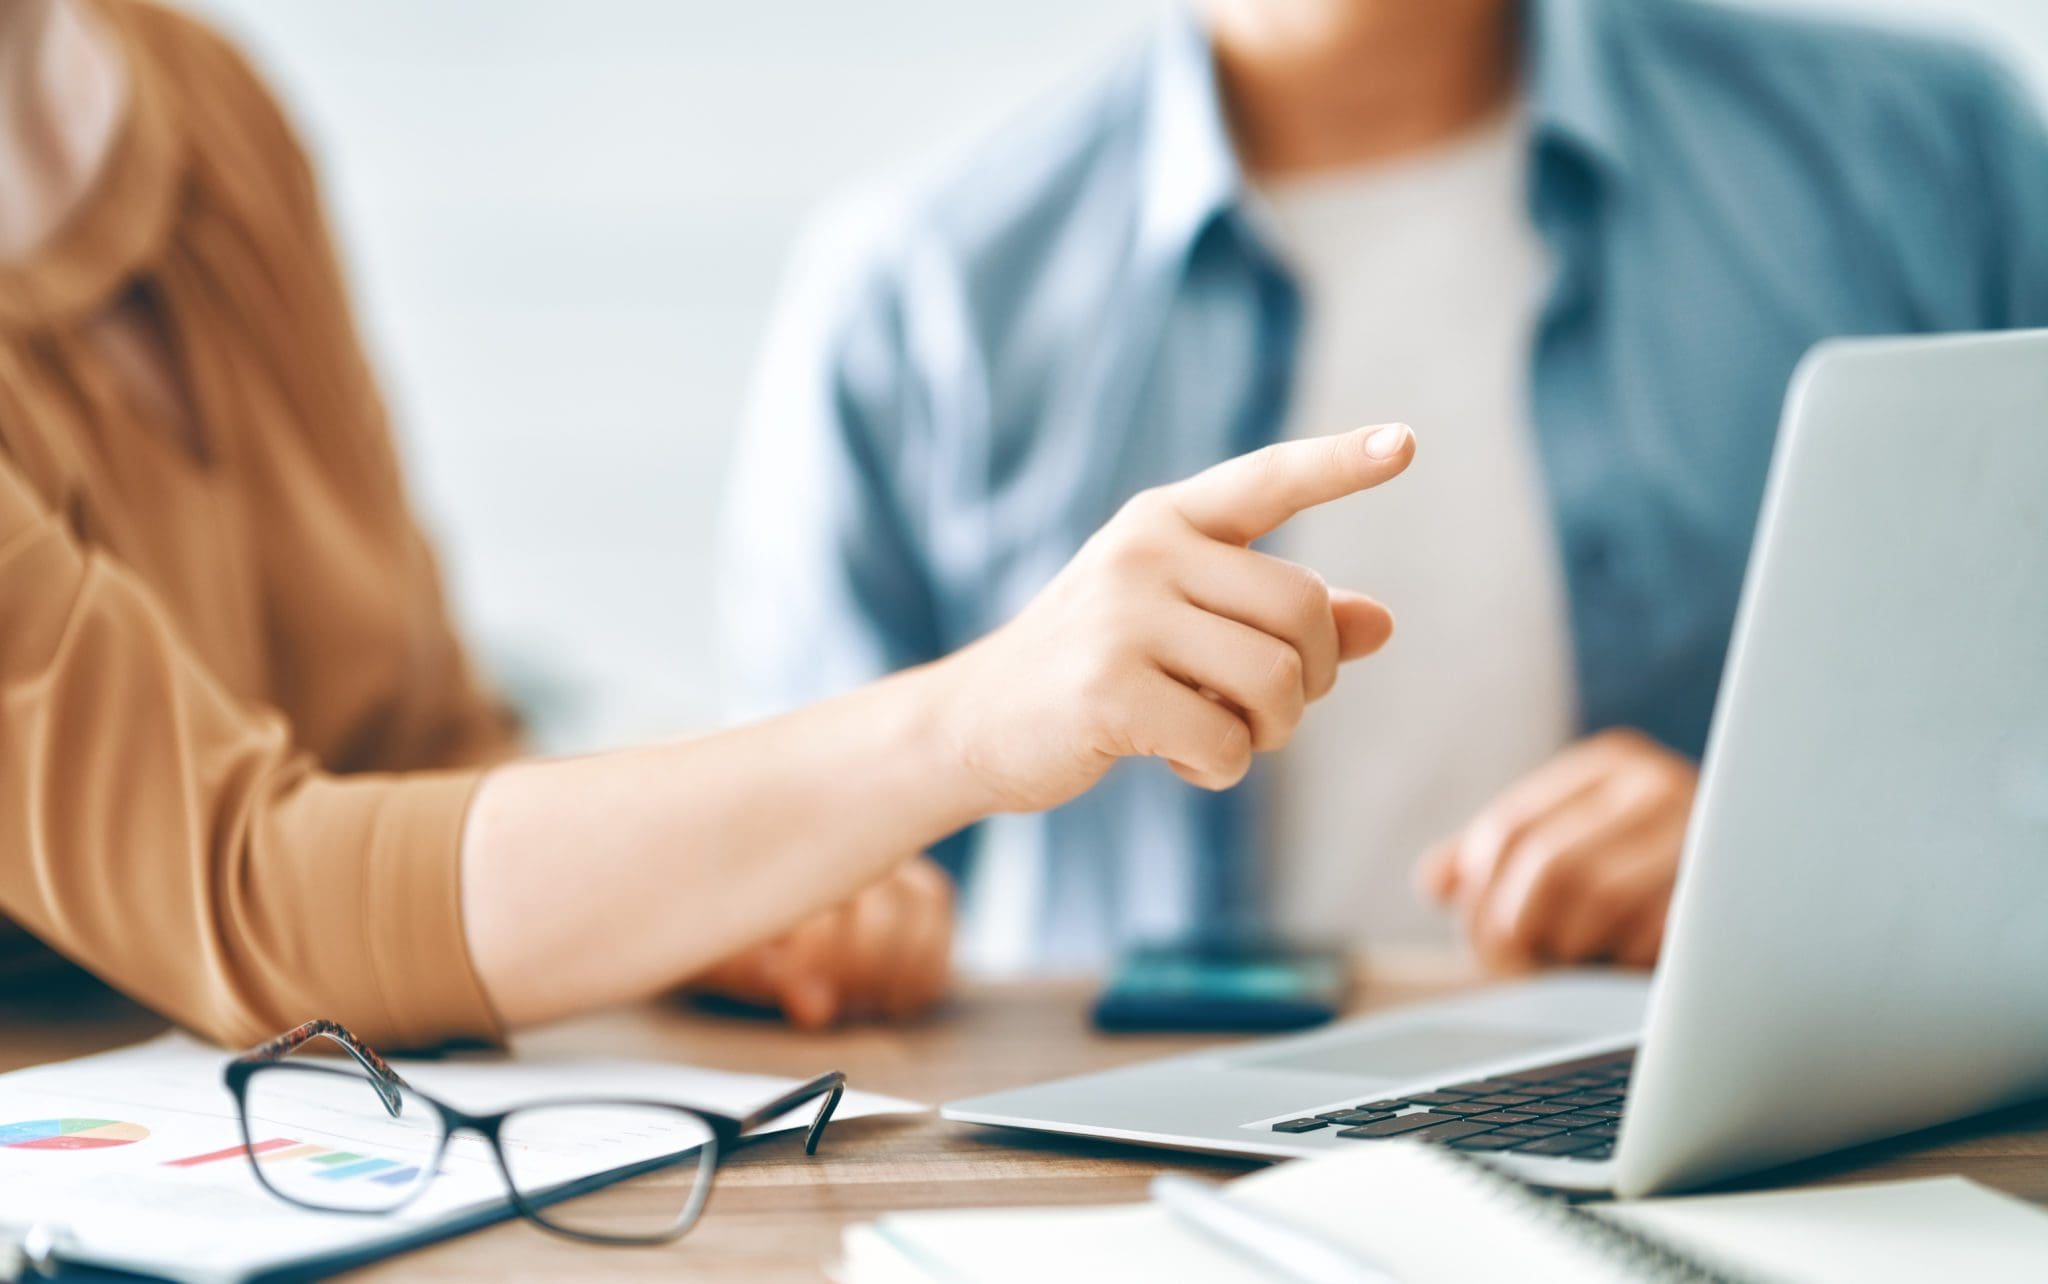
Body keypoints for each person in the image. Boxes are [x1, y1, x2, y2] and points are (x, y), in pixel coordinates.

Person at [0, 0, 1414, 1047]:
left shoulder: (198, 102)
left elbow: (424, 744)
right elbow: (253, 893)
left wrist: (704, 892)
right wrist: (968, 725)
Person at [724, 0, 2048, 975]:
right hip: (1145, 1200)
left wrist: (1810, 864)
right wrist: (807, 920)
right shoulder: (922, 293)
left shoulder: (1934, 162)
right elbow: (798, 875)